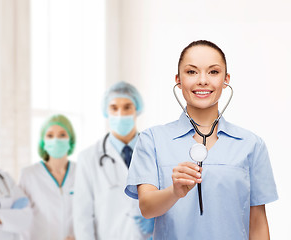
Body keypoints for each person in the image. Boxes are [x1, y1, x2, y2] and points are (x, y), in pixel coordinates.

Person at [124, 40, 278, 239]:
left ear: (226, 79)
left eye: (213, 72)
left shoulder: (251, 144)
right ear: (178, 80)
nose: (203, 80)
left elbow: (257, 223)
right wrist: (174, 192)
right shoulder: (152, 140)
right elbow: (147, 208)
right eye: (191, 72)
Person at [73, 81, 154, 240]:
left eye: (127, 107)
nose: (120, 114)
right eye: (114, 108)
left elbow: (169, 198)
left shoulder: (154, 150)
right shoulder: (88, 158)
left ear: (136, 109)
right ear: (106, 111)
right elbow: (82, 217)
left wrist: (156, 219)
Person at [19, 114, 76, 240]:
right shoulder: (29, 175)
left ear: (70, 139)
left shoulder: (81, 172)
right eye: (50, 135)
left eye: (62, 135)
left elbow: (91, 214)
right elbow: (21, 220)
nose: (56, 140)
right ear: (42, 141)